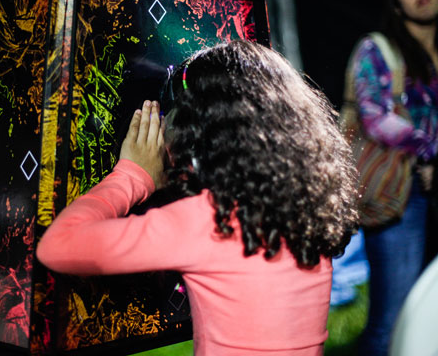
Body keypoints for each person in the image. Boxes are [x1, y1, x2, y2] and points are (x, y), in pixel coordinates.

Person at [37, 39, 359, 355]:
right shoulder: (306, 207)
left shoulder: (208, 221)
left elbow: (58, 245)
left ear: (200, 135)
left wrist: (131, 176)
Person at [347, 0, 438, 355]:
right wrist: (429, 151)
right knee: (394, 317)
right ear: (396, 0)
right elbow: (373, 116)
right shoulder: (377, 49)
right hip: (400, 192)